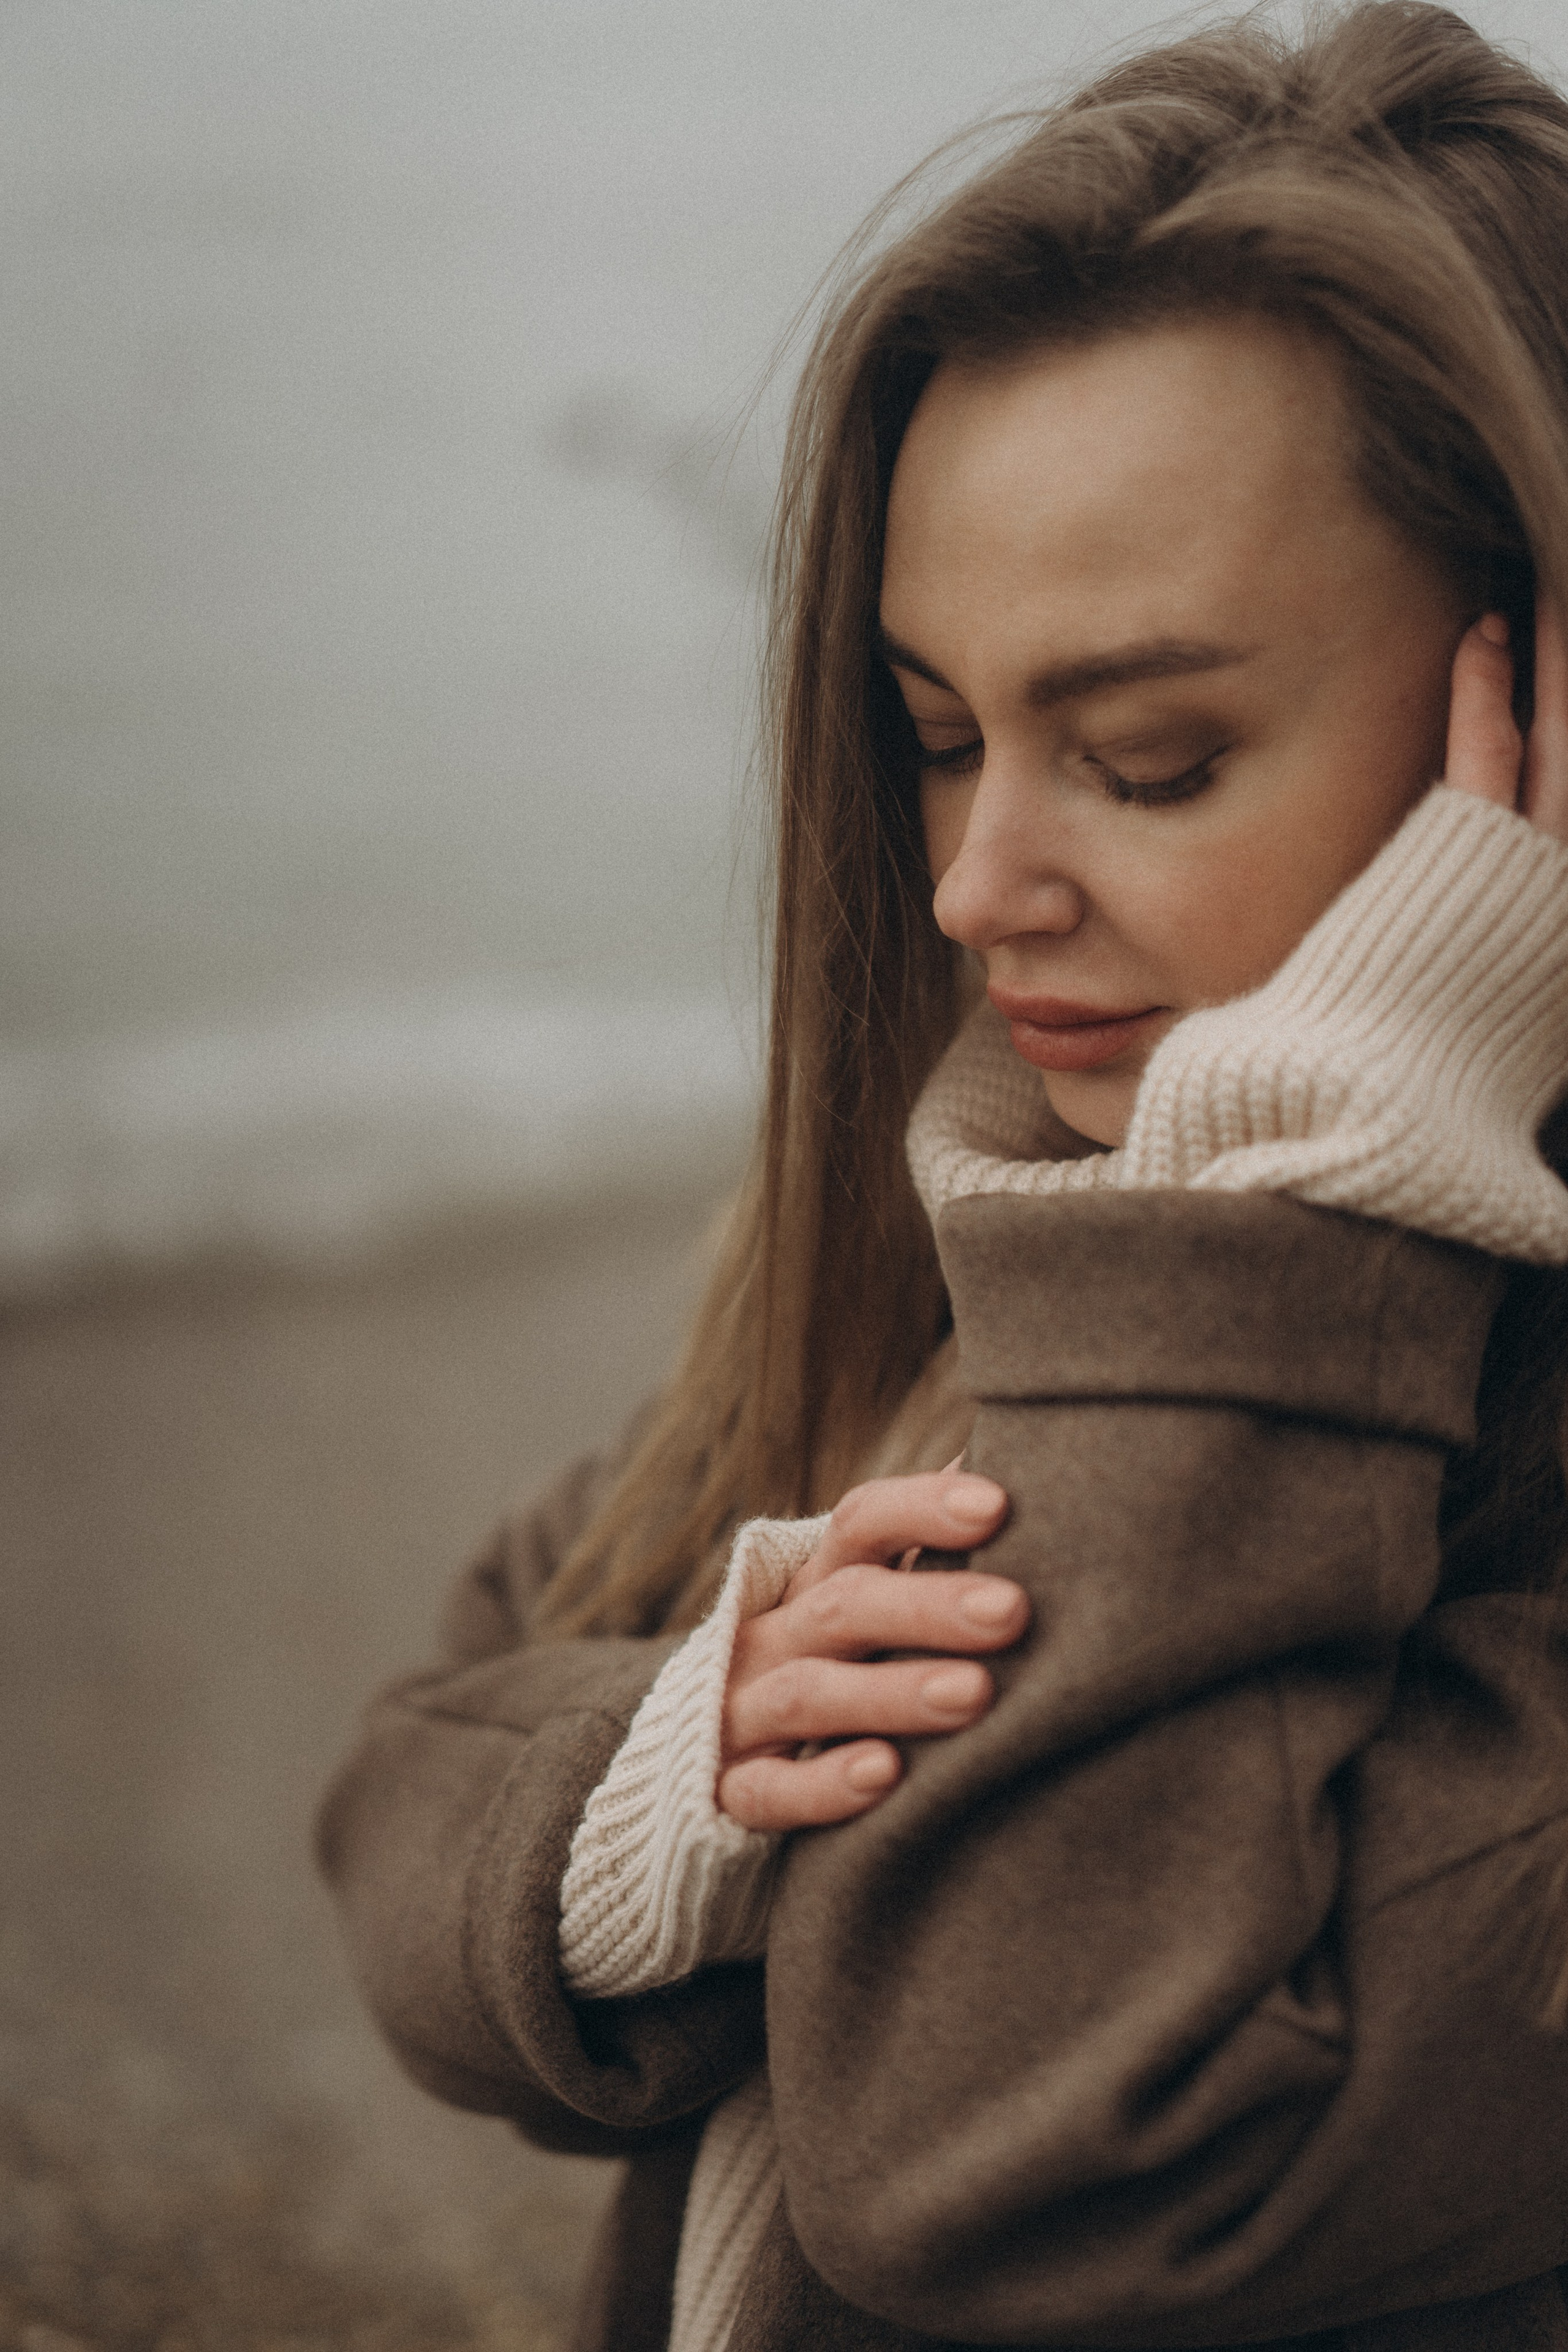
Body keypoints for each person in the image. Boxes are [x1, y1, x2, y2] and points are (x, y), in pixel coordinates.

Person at [316, 6, 1568, 2346]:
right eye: (934, 736)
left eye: (1154, 756)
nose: (979, 884)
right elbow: (403, 1786)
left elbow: (1014, 2166)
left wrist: (1295, 1200)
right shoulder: (954, 1229)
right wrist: (668, 1792)